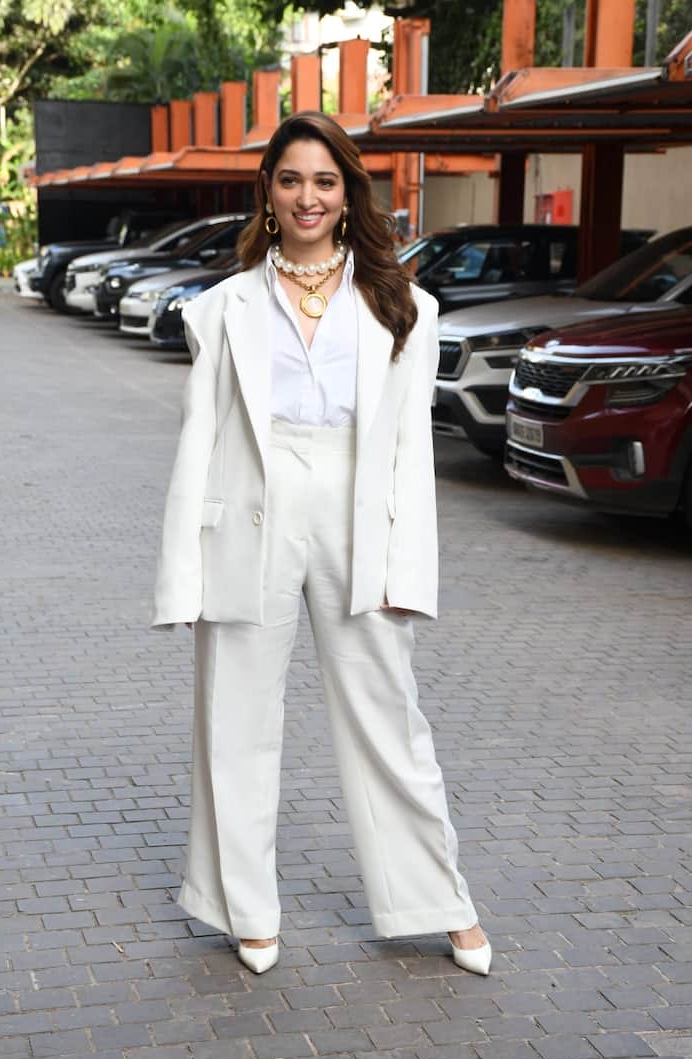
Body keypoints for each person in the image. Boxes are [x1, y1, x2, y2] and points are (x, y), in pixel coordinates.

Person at [152, 111, 490, 977]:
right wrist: (181, 579)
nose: (308, 196)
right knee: (235, 717)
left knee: (390, 717)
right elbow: (203, 442)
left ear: (349, 194)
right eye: (292, 178)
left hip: (355, 510)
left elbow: (412, 454)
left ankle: (437, 899)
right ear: (267, 190)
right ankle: (244, 908)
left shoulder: (404, 306)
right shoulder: (222, 307)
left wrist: (411, 568)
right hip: (251, 510)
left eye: (325, 180)